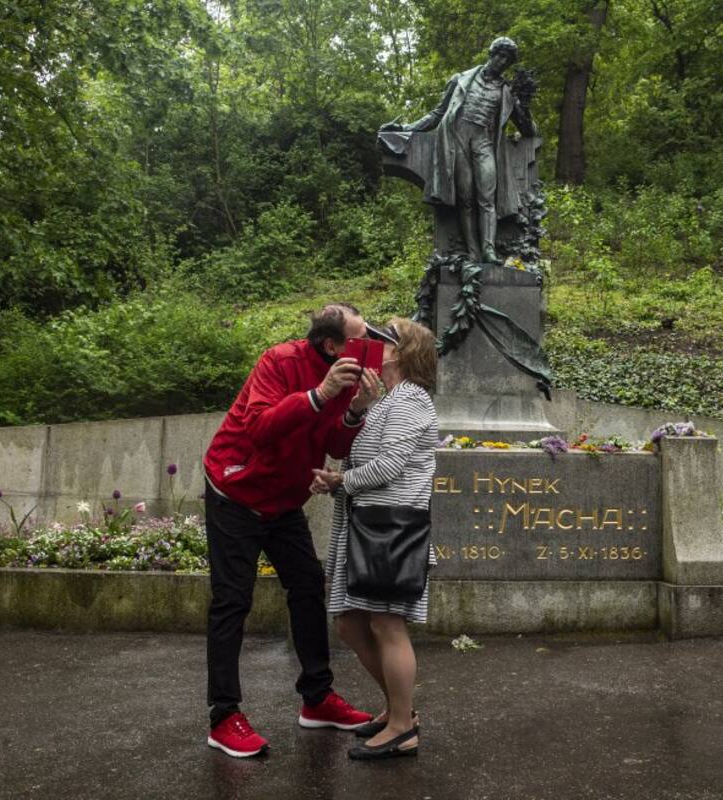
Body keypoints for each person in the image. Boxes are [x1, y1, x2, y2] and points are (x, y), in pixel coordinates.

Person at [201, 302, 386, 758]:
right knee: (232, 600)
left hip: (284, 500)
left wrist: (355, 411)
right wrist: (320, 395)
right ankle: (223, 716)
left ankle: (317, 698)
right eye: (360, 338)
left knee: (306, 587)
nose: (369, 346)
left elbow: (335, 445)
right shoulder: (279, 361)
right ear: (332, 345)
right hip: (236, 490)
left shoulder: (347, 377)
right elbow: (260, 428)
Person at [310, 318, 440, 760]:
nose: (369, 344)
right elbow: (357, 454)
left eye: (382, 340)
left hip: (390, 529)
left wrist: (340, 481)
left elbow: (389, 466)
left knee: (386, 624)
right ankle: (399, 710)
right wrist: (356, 413)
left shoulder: (411, 399)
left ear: (402, 352)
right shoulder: (386, 401)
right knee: (349, 623)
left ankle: (403, 727)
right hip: (368, 524)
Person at [379, 36, 536, 263]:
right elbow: (438, 114)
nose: (503, 62)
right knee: (465, 198)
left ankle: (489, 250)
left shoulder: (506, 91)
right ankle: (473, 251)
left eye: (508, 60)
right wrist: (406, 128)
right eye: (501, 56)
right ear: (492, 53)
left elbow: (528, 130)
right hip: (458, 141)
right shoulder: (461, 79)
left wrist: (525, 105)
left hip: (483, 143)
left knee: (487, 197)